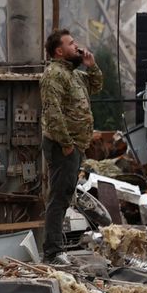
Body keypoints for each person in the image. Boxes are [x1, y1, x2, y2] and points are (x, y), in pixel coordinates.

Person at [40, 28, 103, 264]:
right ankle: (53, 251)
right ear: (59, 51)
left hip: (75, 146)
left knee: (65, 195)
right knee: (58, 197)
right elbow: (52, 112)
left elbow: (96, 86)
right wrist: (66, 144)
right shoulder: (54, 74)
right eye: (71, 43)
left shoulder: (73, 74)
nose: (77, 46)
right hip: (63, 146)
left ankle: (56, 248)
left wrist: (91, 65)